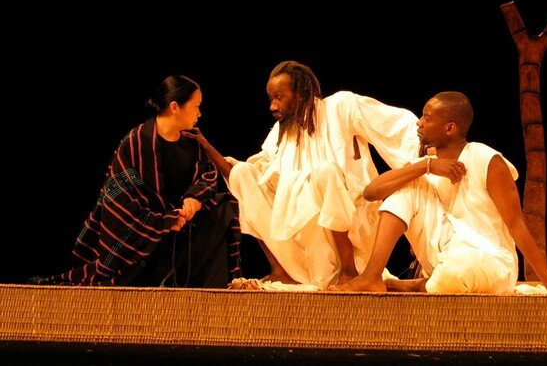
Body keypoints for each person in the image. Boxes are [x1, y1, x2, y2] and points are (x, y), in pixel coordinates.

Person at [329, 91, 547, 294]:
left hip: (490, 262)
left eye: (427, 118)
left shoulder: (486, 159)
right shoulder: (426, 165)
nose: (419, 123)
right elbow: (371, 192)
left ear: (450, 128)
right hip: (445, 256)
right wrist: (425, 166)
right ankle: (371, 276)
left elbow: (517, 225)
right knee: (409, 185)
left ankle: (417, 285)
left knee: (457, 270)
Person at [29, 75, 243, 288]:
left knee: (224, 207)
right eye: (196, 106)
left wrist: (193, 198)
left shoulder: (193, 140)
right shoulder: (136, 143)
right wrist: (165, 221)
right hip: (146, 239)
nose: (199, 113)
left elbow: (207, 175)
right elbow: (119, 200)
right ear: (174, 107)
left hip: (184, 231)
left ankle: (207, 292)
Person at [222, 60, 419, 290]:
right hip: (306, 232)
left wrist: (425, 152)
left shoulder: (341, 106)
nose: (272, 106)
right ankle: (282, 270)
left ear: (301, 93)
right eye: (271, 98)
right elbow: (261, 172)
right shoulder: (281, 132)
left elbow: (395, 126)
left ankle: (348, 270)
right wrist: (217, 155)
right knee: (243, 173)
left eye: (279, 97)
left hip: (352, 221)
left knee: (324, 171)